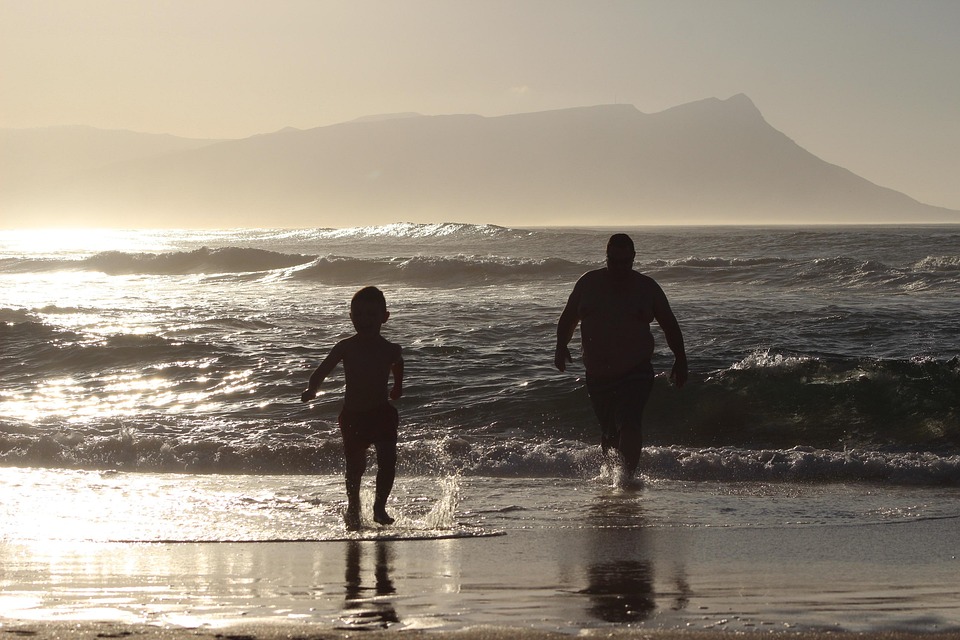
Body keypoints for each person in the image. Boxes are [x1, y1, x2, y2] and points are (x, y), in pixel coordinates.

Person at [554, 233, 687, 483]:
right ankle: (613, 480)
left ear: (634, 258)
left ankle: (625, 481)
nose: (619, 268)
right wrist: (561, 346)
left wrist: (680, 359)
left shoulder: (647, 288)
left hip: (635, 370)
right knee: (609, 434)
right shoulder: (588, 283)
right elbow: (569, 316)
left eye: (625, 262)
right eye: (614, 261)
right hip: (598, 375)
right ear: (606, 257)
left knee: (629, 421)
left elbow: (670, 325)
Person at [301, 286, 404, 530]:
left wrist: (398, 386)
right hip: (354, 416)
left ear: (384, 317)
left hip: (382, 413)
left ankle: (379, 507)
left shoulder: (390, 348)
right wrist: (312, 388)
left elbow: (398, 363)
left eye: (371, 314)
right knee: (355, 467)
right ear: (351, 317)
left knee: (388, 461)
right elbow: (322, 370)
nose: (364, 320)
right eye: (358, 315)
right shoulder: (345, 347)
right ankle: (353, 507)